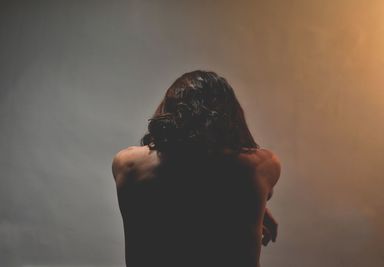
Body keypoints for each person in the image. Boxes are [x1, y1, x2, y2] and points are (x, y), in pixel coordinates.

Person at [112, 70, 281, 267]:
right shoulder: (261, 166)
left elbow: (184, 183)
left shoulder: (127, 164)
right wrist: (252, 206)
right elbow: (204, 177)